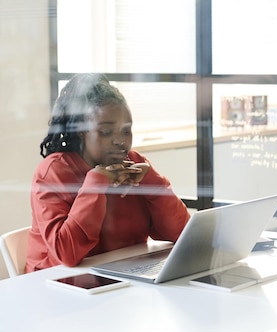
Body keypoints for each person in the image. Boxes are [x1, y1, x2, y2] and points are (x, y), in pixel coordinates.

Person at [25, 73, 190, 272]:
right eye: (106, 132)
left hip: (121, 277)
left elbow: (183, 234)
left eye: (126, 131)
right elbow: (67, 253)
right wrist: (97, 181)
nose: (120, 141)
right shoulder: (53, 173)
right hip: (55, 282)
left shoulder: (135, 164)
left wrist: (151, 180)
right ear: (81, 130)